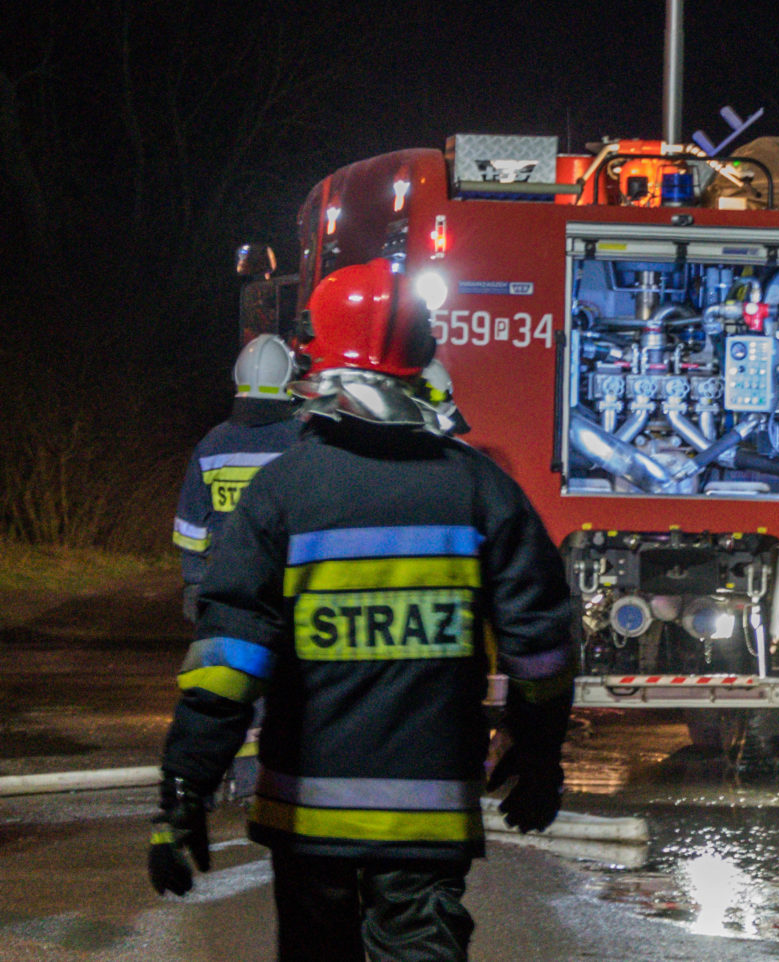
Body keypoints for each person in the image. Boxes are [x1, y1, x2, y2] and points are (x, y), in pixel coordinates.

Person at [148, 259, 578, 962]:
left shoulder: (282, 492)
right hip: (427, 818)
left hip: (306, 816)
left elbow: (229, 659)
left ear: (314, 360)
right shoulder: (481, 490)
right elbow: (542, 648)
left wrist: (184, 787)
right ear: (422, 354)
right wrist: (538, 755)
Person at [174, 333, 306, 625]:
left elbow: (190, 527)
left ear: (237, 380)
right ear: (288, 383)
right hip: (290, 591)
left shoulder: (211, 446)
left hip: (230, 592)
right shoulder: (303, 442)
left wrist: (194, 581)